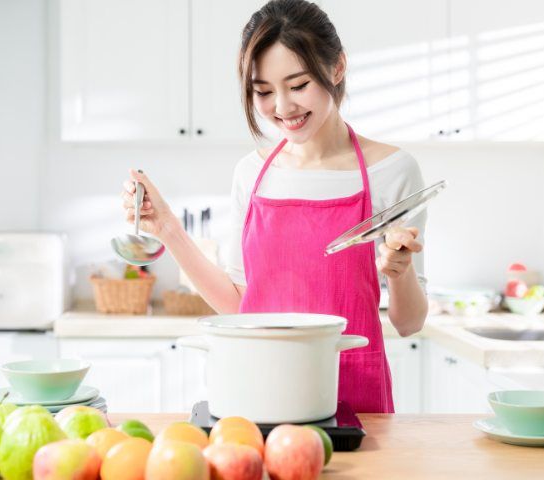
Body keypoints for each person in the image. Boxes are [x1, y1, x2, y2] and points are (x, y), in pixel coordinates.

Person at [122, 0, 428, 413]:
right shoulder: (251, 174)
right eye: (263, 92)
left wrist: (400, 270)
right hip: (260, 393)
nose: (282, 108)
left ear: (337, 68)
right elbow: (239, 305)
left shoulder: (393, 171)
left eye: (298, 85)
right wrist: (168, 229)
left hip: (354, 400)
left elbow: (409, 323)